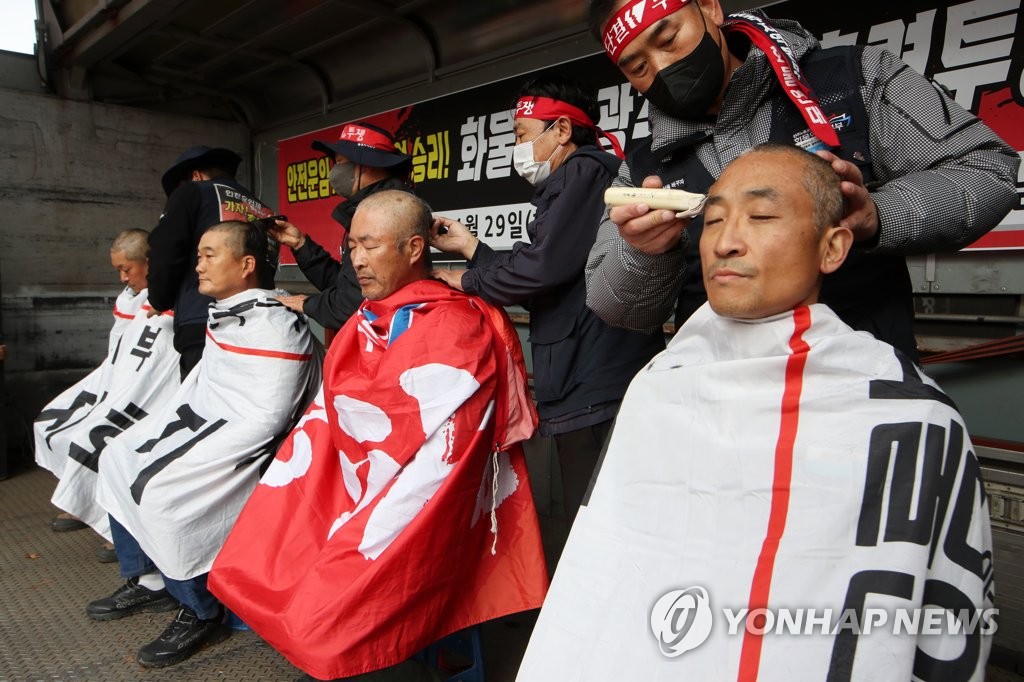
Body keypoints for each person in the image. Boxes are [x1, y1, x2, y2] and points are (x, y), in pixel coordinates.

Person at [517, 145, 995, 681]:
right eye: (714, 219)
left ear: (833, 246)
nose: (725, 242)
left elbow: (943, 624)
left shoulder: (907, 416)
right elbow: (601, 579)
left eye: (762, 217)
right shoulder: (657, 389)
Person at [208, 191, 549, 681]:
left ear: (414, 249)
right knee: (262, 556)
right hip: (359, 483)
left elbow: (443, 461)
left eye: (370, 246)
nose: (357, 261)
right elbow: (332, 420)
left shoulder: (455, 323)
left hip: (417, 499)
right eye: (351, 247)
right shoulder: (367, 319)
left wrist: (361, 515)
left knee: (324, 615)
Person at [584, 0, 1020, 360]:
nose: (662, 67)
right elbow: (612, 306)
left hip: (860, 388)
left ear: (710, 9)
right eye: (638, 66)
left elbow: (987, 171)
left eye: (668, 38)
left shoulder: (854, 79)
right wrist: (643, 253)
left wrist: (878, 216)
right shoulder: (644, 166)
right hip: (723, 408)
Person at [431, 75, 664, 524]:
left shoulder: (584, 171)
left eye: (521, 135)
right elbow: (549, 262)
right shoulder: (578, 179)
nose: (517, 148)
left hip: (593, 379)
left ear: (560, 130)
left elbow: (540, 269)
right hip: (585, 377)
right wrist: (472, 250)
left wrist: (465, 279)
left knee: (594, 524)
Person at [90, 220, 321, 669]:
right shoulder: (229, 315)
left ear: (247, 264)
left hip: (255, 448)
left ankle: (199, 609)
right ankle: (151, 578)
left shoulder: (276, 325)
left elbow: (269, 418)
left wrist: (190, 448)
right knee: (118, 455)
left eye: (210, 254)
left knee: (161, 492)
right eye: (199, 255)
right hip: (207, 425)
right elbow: (202, 389)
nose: (198, 265)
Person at [33, 229, 180, 562]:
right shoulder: (128, 297)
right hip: (117, 380)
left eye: (128, 269)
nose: (123, 278)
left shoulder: (168, 296)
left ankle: (114, 525)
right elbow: (119, 350)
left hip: (151, 390)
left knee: (94, 439)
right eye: (118, 270)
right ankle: (82, 500)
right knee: (51, 424)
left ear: (150, 262)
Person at [269, 121, 415, 330]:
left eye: (340, 162)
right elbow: (345, 285)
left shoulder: (384, 214)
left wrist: (306, 303)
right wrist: (300, 244)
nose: (335, 171)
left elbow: (352, 306)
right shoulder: (368, 209)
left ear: (368, 165)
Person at [147, 145, 274, 379]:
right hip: (261, 323)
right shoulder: (259, 206)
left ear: (195, 176)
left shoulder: (192, 192)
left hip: (204, 320)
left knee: (203, 406)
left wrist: (158, 298)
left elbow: (165, 248)